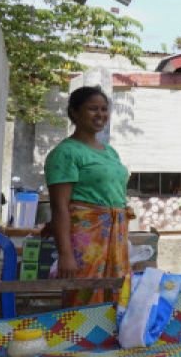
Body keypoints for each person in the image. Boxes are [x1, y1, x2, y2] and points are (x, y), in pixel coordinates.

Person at [44, 86, 132, 306]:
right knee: (84, 294)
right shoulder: (66, 153)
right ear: (74, 112)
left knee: (118, 292)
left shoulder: (110, 152)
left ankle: (109, 339)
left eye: (104, 109)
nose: (100, 115)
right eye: (93, 109)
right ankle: (80, 338)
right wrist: (65, 254)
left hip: (116, 236)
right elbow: (60, 207)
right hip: (86, 239)